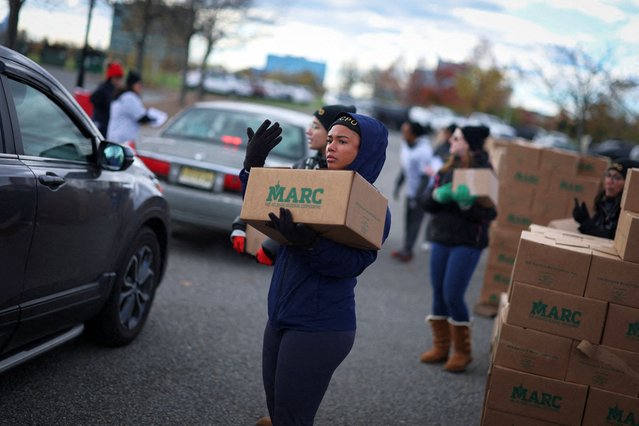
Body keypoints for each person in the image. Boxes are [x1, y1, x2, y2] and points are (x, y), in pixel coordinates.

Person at [239, 112, 391, 426]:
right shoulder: (315, 184)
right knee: (278, 412)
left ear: (365, 151)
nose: (330, 147)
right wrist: (251, 166)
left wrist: (310, 243)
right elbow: (260, 204)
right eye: (330, 139)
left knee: (293, 419)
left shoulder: (373, 208)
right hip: (280, 316)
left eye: (343, 141)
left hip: (319, 327)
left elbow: (353, 264)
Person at [231, 104, 356, 266]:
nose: (309, 131)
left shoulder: (345, 180)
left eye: (316, 127)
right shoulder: (305, 164)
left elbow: (315, 227)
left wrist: (273, 245)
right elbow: (274, 201)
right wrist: (241, 223)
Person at [419, 125, 497, 373]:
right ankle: (441, 347)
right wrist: (437, 195)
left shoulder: (484, 171)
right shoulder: (446, 166)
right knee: (438, 293)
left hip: (467, 241)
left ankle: (462, 352)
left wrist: (468, 205)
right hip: (441, 237)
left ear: (470, 144)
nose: (451, 140)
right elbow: (425, 203)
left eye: (457, 137)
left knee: (453, 294)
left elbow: (491, 212)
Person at [391, 120, 441, 262]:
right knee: (408, 220)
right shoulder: (406, 145)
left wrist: (417, 197)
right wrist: (398, 185)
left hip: (422, 193)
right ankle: (405, 247)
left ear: (414, 134)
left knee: (415, 222)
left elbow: (425, 176)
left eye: (406, 132)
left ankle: (408, 251)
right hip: (411, 191)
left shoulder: (424, 151)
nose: (403, 134)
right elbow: (404, 167)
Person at [573, 158, 639, 239]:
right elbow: (596, 230)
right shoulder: (604, 203)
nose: (609, 181)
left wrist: (585, 223)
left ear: (628, 183)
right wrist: (585, 219)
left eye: (617, 178)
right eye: (608, 175)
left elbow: (609, 237)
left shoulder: (624, 212)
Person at [106, 71, 155, 144]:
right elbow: (142, 118)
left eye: (141, 84)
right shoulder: (129, 97)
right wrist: (156, 119)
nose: (141, 86)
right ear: (132, 84)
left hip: (115, 137)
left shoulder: (123, 95)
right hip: (122, 140)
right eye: (139, 84)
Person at [90, 61, 124, 137]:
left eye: (120, 78)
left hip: (106, 125)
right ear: (111, 78)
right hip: (102, 124)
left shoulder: (113, 90)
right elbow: (93, 99)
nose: (119, 81)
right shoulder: (105, 90)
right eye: (117, 78)